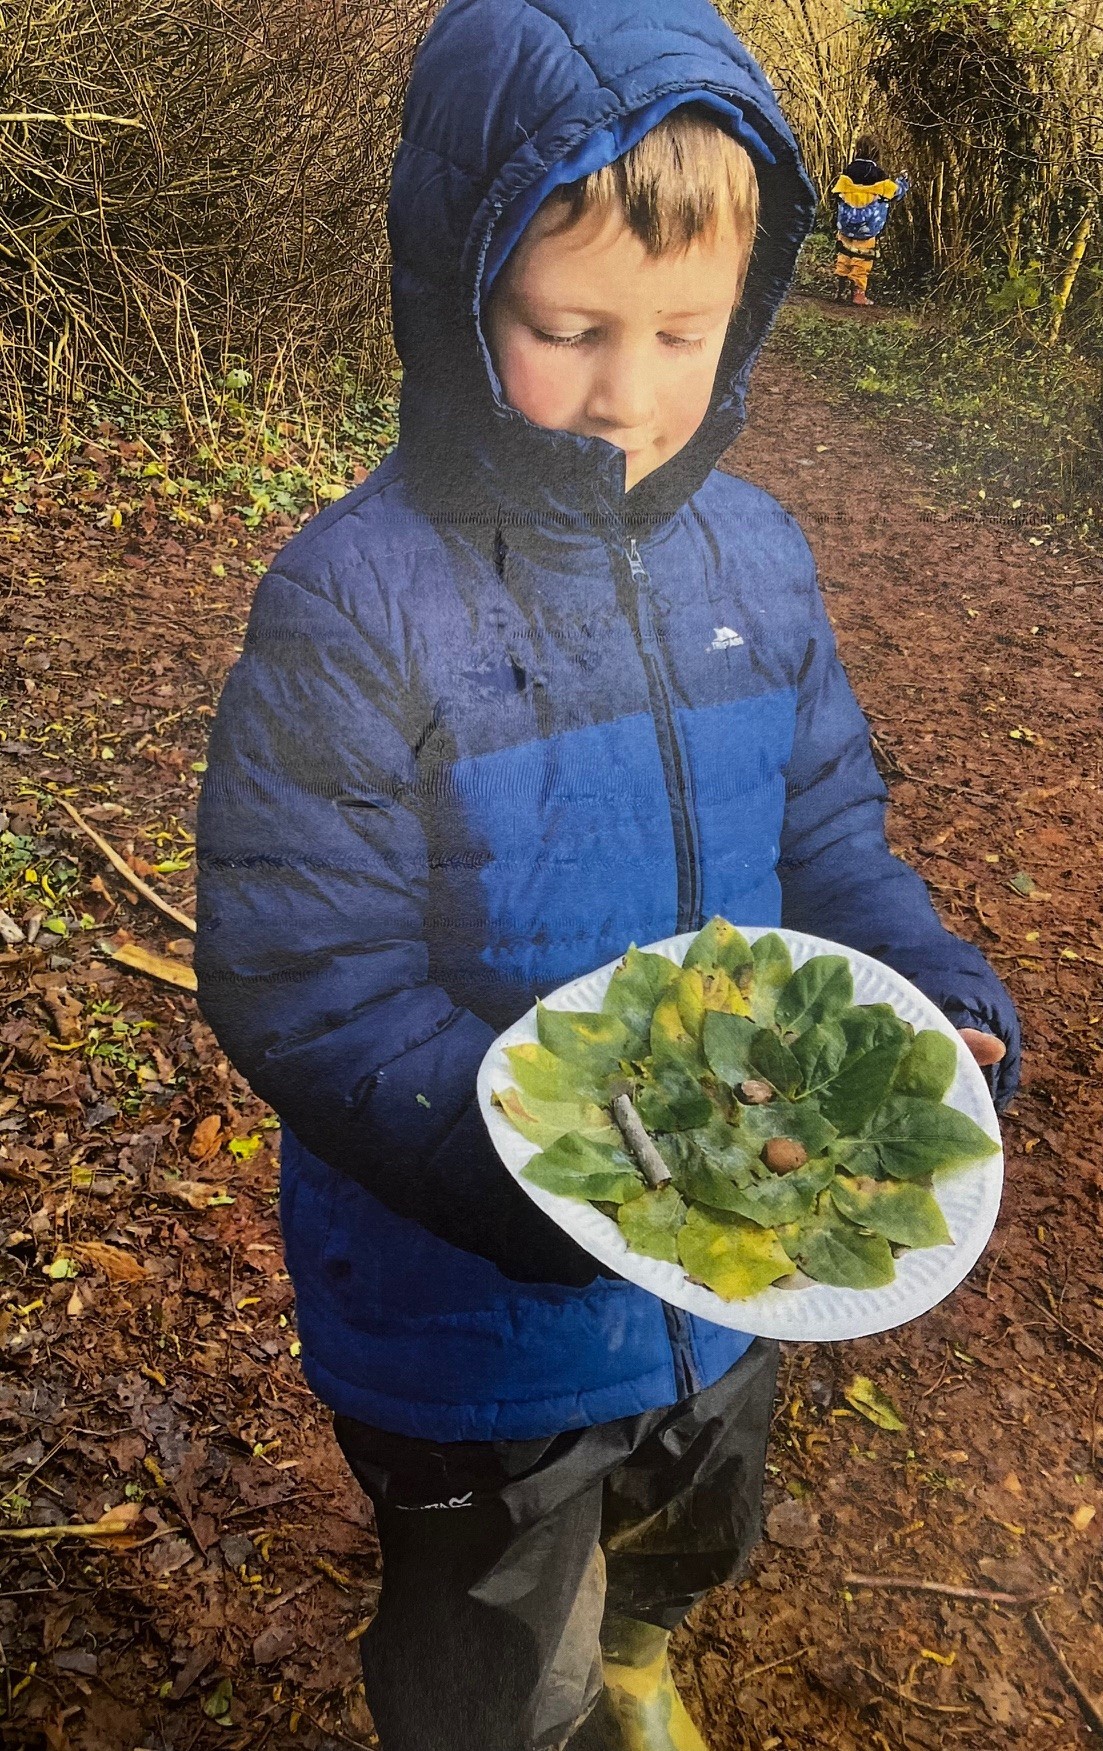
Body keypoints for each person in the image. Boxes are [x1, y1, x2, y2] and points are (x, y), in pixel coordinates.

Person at [194, 3, 1019, 1747]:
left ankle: (640, 1642)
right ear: (454, 289)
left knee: (698, 1509)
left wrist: (928, 999)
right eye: (565, 330)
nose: (629, 396)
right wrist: (544, 1178)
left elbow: (824, 842)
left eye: (684, 334)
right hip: (464, 1291)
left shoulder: (760, 558)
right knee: (497, 1638)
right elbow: (303, 970)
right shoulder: (358, 602)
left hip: (723, 1249)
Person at [831, 135, 910, 306]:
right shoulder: (878, 175)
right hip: (867, 226)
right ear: (876, 153)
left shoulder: (848, 171)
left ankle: (840, 290)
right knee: (862, 258)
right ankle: (858, 294)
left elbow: (837, 194)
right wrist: (903, 181)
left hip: (846, 223)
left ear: (857, 150)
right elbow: (895, 192)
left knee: (844, 253)